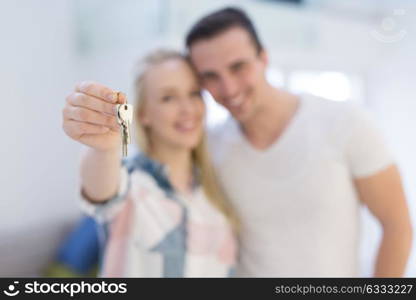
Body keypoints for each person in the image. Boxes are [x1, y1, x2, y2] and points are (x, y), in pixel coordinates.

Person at [183, 7, 412, 277]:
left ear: (263, 58)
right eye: (211, 76)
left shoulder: (346, 123)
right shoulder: (210, 145)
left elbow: (397, 224)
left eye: (238, 67)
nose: (229, 88)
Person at [62, 49, 238, 277]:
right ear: (144, 113)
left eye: (194, 94)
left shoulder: (215, 189)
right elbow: (101, 189)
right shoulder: (130, 182)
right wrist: (103, 148)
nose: (188, 109)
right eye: (168, 97)